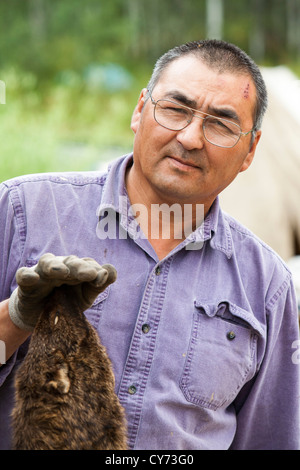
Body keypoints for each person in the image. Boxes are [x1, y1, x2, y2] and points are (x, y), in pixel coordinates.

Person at [0, 39, 299, 450]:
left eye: (221, 124)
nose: (191, 137)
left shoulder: (267, 287)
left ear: (250, 150)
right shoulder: (22, 211)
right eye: (176, 109)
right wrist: (16, 317)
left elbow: (271, 439)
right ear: (140, 110)